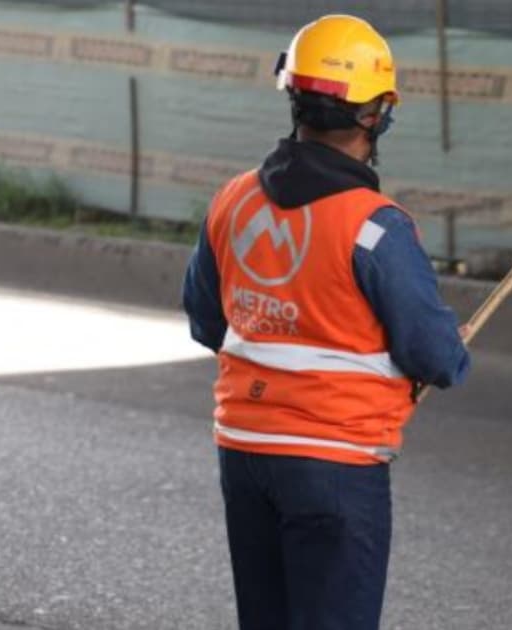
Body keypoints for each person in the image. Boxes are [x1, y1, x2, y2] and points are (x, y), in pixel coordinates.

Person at [182, 14, 470, 630]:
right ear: (376, 114)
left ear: (293, 97)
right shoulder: (374, 227)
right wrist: (451, 349)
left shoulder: (233, 200)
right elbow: (435, 356)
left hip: (244, 453)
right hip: (335, 465)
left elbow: (207, 322)